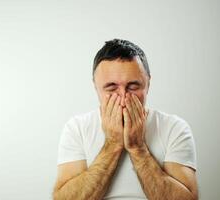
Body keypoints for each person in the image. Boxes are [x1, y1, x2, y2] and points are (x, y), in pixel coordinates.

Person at [53, 39, 198, 200]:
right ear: (96, 87)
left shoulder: (174, 128)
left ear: (148, 84)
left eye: (133, 86)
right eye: (111, 87)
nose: (123, 97)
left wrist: (138, 148)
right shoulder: (76, 128)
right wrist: (113, 144)